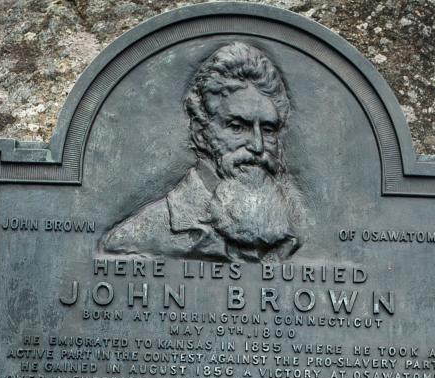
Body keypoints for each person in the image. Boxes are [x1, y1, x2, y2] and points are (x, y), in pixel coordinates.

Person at [101, 41, 303, 262]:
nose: (258, 146)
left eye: (268, 129)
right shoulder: (135, 242)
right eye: (237, 127)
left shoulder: (293, 231)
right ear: (200, 132)